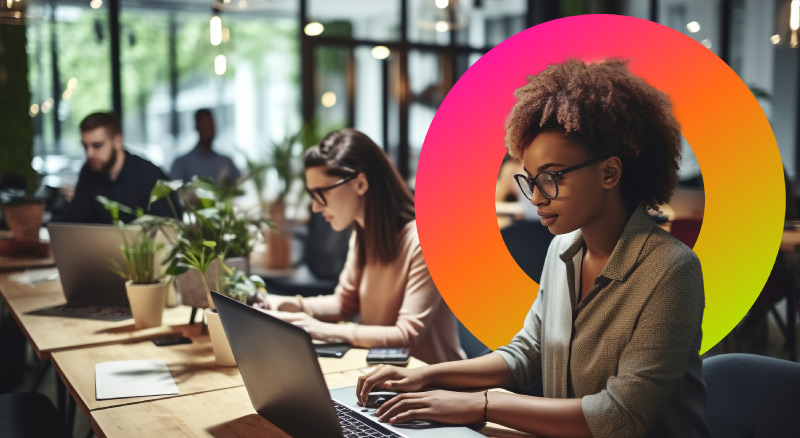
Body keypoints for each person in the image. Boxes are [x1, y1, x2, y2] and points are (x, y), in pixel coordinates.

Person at [356, 59, 711, 438]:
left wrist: (482, 402)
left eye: (552, 178)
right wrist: (422, 376)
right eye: (531, 181)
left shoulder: (672, 269)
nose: (537, 197)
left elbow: (622, 416)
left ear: (609, 172)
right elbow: (527, 353)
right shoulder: (563, 250)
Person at [257, 129, 465, 365]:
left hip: (438, 387)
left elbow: (405, 336)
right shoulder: (362, 234)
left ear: (361, 183)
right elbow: (344, 304)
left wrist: (318, 329)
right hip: (387, 378)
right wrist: (294, 305)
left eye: (321, 194)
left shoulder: (426, 242)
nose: (315, 208)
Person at [54, 112, 179, 224]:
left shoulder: (149, 175)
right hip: (97, 249)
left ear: (117, 141)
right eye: (85, 146)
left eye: (97, 145)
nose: (89, 153)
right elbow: (74, 220)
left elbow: (168, 227)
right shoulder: (88, 171)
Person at [170, 108, 241, 185]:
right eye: (205, 125)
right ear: (196, 127)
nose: (209, 130)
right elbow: (175, 193)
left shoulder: (225, 161)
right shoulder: (181, 163)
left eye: (211, 125)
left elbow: (241, 187)